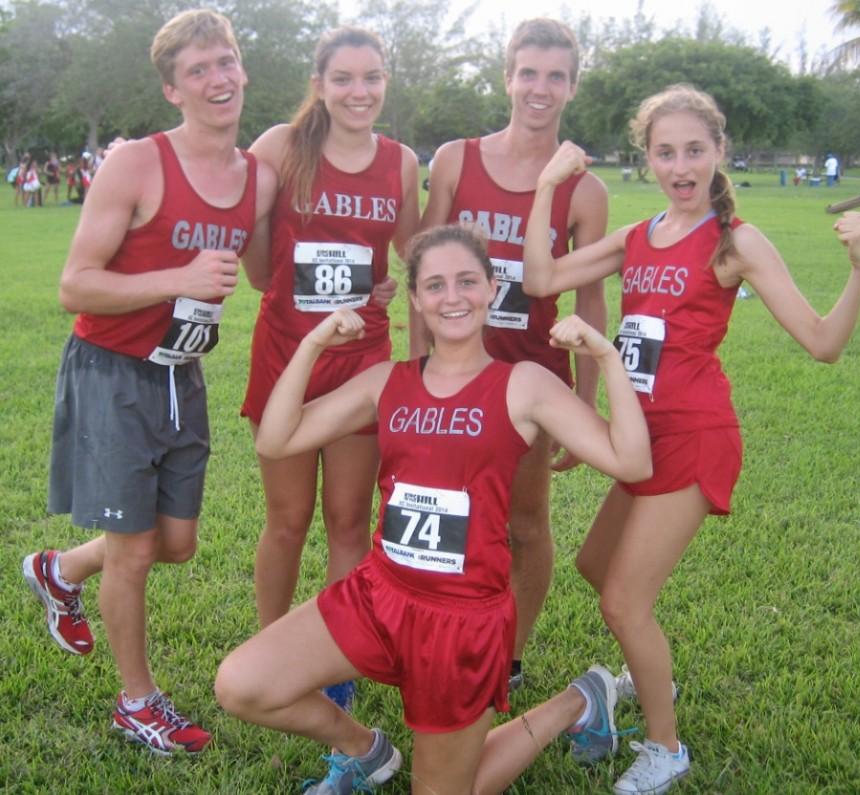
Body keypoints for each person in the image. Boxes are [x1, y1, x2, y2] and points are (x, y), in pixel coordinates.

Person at [215, 223, 652, 795]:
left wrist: (606, 355)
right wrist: (312, 344)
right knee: (241, 684)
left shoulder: (524, 384)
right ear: (416, 300)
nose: (453, 297)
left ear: (491, 289)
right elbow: (275, 440)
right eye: (436, 285)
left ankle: (579, 700)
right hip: (379, 595)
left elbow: (631, 461)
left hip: (462, 618)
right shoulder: (386, 382)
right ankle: (363, 749)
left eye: (467, 281)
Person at [522, 84, 860, 795]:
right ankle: (654, 678)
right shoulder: (640, 234)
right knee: (596, 567)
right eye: (664, 151)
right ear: (646, 157)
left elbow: (823, 344)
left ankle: (665, 744)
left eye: (694, 149)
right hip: (638, 436)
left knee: (623, 601)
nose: (680, 165)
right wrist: (546, 187)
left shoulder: (736, 240)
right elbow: (541, 277)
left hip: (696, 436)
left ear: (719, 152)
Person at [21, 8, 275, 755]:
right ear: (173, 90)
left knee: (177, 540)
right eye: (198, 70)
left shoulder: (254, 177)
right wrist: (180, 276)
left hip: (178, 371)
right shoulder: (136, 163)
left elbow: (258, 269)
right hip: (111, 371)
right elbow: (75, 285)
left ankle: (58, 569)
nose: (217, 78)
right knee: (132, 549)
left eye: (224, 62)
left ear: (243, 69)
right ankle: (138, 702)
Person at [416, 18, 608, 689]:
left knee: (524, 523)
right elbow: (421, 272)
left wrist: (582, 406)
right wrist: (415, 374)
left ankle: (510, 656)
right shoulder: (455, 160)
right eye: (529, 72)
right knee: (443, 513)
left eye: (556, 76)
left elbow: (588, 302)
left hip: (530, 383)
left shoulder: (584, 189)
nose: (540, 88)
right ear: (507, 76)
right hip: (449, 378)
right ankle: (436, 637)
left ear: (572, 86)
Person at [240, 28, 419, 710]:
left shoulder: (399, 161)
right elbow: (258, 266)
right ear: (319, 82)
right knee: (287, 518)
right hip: (288, 355)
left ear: (385, 83)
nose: (359, 92)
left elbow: (410, 249)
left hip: (363, 361)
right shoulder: (280, 148)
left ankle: (337, 664)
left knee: (348, 521)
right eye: (343, 78)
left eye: (372, 78)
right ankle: (270, 649)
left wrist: (395, 286)